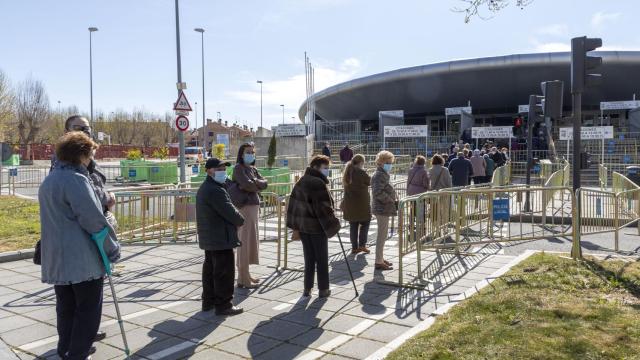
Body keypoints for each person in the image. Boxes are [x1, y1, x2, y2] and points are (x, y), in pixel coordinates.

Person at [39, 132, 120, 360]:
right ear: (81, 154)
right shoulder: (76, 180)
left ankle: (66, 348)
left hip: (57, 259)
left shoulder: (50, 179)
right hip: (82, 260)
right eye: (91, 153)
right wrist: (112, 250)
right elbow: (94, 220)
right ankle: (78, 353)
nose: (92, 158)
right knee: (87, 311)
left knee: (66, 308)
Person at [196, 158, 245, 316]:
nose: (223, 171)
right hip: (220, 237)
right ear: (209, 170)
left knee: (210, 270)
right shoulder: (215, 190)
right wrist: (240, 220)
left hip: (211, 237)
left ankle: (208, 301)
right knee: (224, 272)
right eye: (219, 169)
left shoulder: (208, 187)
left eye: (224, 168)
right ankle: (224, 305)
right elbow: (230, 212)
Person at [286, 155, 341, 297]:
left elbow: (293, 205)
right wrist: (334, 224)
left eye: (328, 168)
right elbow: (323, 208)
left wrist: (296, 225)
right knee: (321, 259)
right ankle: (323, 289)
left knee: (309, 258)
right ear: (316, 167)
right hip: (317, 227)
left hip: (304, 227)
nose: (327, 171)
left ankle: (307, 288)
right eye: (325, 168)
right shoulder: (317, 183)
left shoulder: (302, 180)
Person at [231, 143, 267, 289]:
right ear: (241, 154)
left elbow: (265, 183)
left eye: (252, 152)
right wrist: (254, 184)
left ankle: (246, 274)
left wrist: (255, 183)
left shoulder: (252, 168)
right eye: (248, 152)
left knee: (250, 242)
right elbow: (247, 185)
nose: (251, 154)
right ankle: (243, 278)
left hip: (252, 209)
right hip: (245, 208)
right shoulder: (238, 168)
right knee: (244, 242)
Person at [371, 150, 397, 271]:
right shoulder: (380, 174)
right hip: (382, 208)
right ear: (381, 162)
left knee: (383, 234)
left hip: (383, 208)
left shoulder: (383, 173)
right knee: (382, 235)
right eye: (388, 162)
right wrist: (390, 200)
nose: (390, 164)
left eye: (391, 162)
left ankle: (380, 258)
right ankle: (378, 261)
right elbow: (378, 192)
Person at [341, 154, 371, 254]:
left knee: (353, 226)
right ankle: (362, 245)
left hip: (350, 204)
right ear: (361, 163)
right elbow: (369, 182)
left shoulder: (347, 172)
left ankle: (354, 247)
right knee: (365, 223)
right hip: (361, 203)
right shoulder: (361, 172)